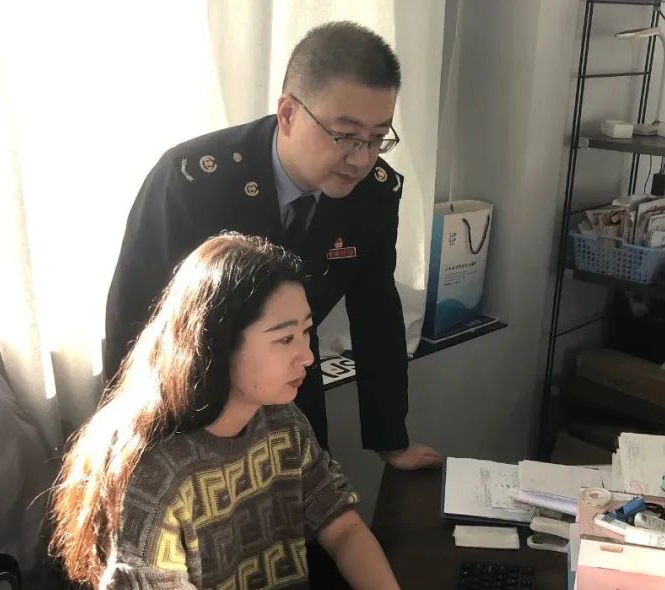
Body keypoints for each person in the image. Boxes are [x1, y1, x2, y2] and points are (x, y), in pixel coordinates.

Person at [52, 234, 499, 590]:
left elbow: (339, 523)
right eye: (284, 338)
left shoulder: (280, 421)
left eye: (306, 332)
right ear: (215, 344)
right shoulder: (152, 473)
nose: (307, 356)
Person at [103, 21, 440, 472]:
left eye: (377, 138)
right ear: (288, 114)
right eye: (344, 135)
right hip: (194, 396)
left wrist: (391, 441)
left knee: (310, 507)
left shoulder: (373, 195)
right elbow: (134, 313)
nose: (361, 158)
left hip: (294, 394)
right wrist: (132, 445)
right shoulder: (191, 180)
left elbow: (376, 313)